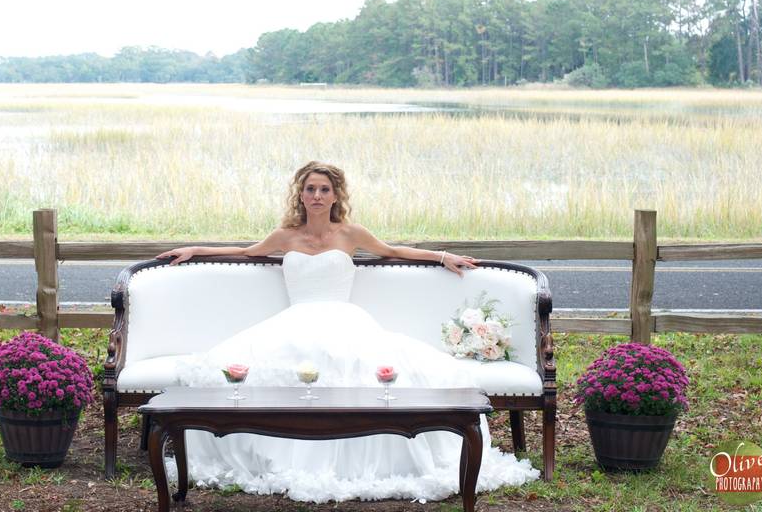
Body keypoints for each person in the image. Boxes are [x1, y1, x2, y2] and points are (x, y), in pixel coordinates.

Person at [156, 161, 538, 503]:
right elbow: (242, 252)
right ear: (300, 196)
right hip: (294, 320)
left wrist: (442, 256)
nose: (317, 196)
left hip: (345, 319)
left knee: (355, 363)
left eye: (324, 189)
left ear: (335, 195)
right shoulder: (286, 236)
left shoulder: (350, 233)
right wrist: (192, 248)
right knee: (261, 371)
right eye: (310, 189)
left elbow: (394, 251)